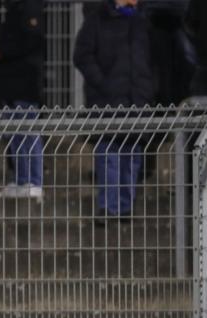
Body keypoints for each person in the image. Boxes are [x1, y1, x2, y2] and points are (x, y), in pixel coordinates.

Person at [73, 0, 154, 222]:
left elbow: (155, 58)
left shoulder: (144, 22)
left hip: (137, 100)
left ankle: (126, 208)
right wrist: (103, 83)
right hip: (106, 101)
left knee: (132, 156)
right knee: (108, 153)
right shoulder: (97, 19)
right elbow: (82, 56)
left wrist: (148, 88)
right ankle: (108, 207)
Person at [0, 0, 44, 200]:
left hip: (24, 84)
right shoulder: (15, 10)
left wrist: (3, 51)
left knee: (28, 132)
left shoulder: (30, 8)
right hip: (11, 86)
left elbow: (32, 40)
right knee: (15, 135)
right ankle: (22, 179)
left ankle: (34, 181)